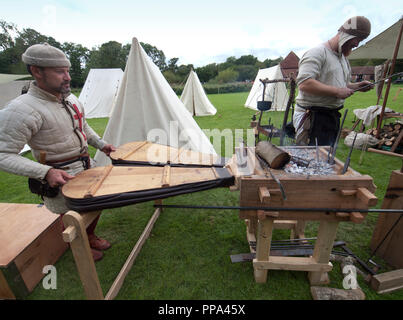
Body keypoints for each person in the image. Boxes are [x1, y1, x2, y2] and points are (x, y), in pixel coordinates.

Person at [0, 43, 116, 261]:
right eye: (60, 71)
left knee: (99, 201)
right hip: (59, 174)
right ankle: (78, 247)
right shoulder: (21, 109)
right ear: (37, 71)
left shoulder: (71, 99)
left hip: (86, 165)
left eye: (68, 70)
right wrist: (45, 173)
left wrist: (102, 145)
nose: (68, 77)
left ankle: (89, 236)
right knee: (71, 215)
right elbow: (3, 154)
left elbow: (83, 126)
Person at [293, 16, 374, 146]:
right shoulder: (317, 53)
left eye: (361, 40)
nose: (356, 44)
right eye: (356, 39)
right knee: (310, 159)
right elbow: (305, 84)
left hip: (330, 117)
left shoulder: (342, 58)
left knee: (326, 159)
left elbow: (342, 86)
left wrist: (357, 86)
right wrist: (336, 92)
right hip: (312, 117)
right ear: (346, 35)